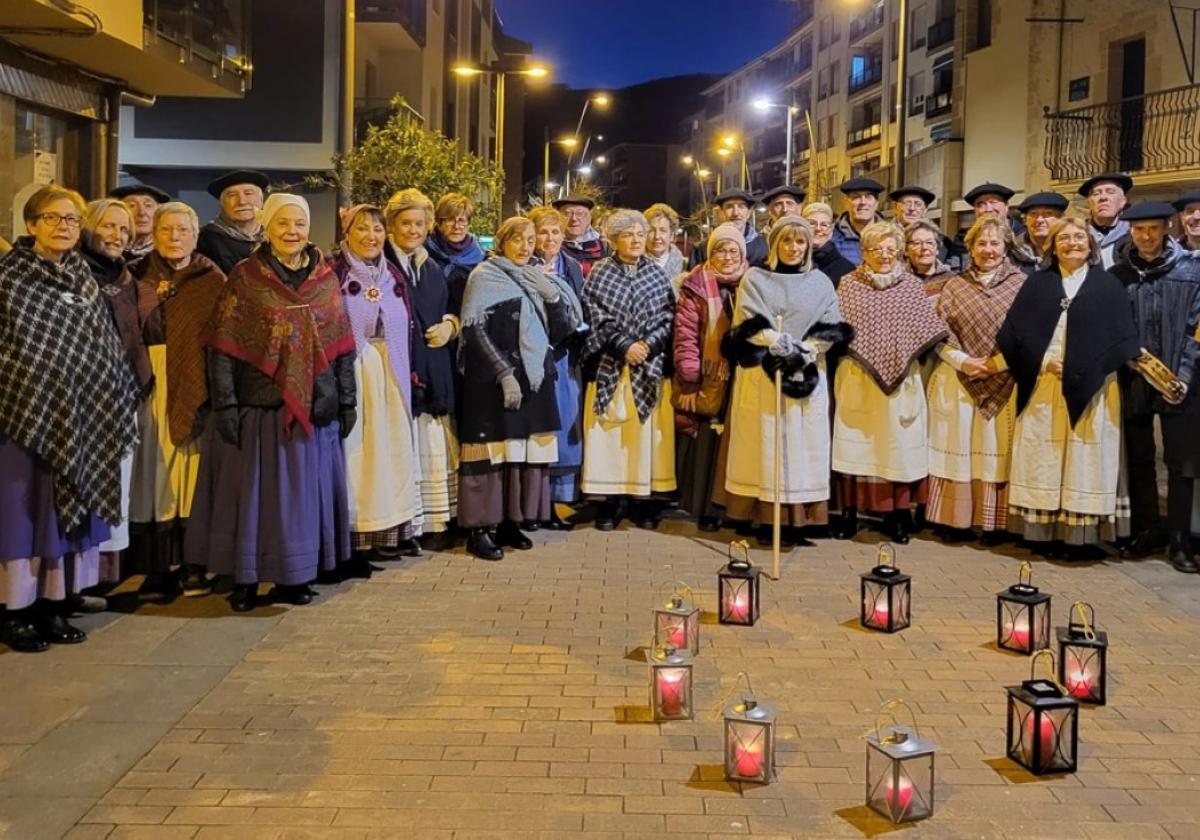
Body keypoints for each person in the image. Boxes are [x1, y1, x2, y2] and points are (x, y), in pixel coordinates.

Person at [186, 193, 355, 611]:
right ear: (267, 226)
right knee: (252, 500)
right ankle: (245, 579)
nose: (292, 231)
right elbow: (223, 344)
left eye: (299, 223)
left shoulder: (325, 278)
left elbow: (343, 345)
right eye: (283, 223)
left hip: (314, 408)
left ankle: (294, 579)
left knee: (298, 502)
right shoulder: (246, 276)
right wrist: (225, 405)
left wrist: (348, 400)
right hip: (257, 406)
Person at [0, 185, 138, 651]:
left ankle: (55, 604)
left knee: (64, 514)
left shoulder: (82, 277)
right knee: (23, 514)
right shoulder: (10, 278)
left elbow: (99, 344)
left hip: (84, 419)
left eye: (72, 220)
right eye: (53, 218)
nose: (63, 227)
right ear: (32, 224)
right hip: (23, 420)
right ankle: (16, 611)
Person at [997, 216, 1140, 556]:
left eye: (1079, 237)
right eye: (1064, 238)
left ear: (1090, 245)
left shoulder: (1107, 285)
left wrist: (1083, 365)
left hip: (1094, 387)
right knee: (1043, 455)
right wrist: (1045, 360)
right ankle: (1043, 532)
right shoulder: (1037, 284)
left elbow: (1121, 338)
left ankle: (1081, 538)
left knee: (1085, 457)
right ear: (1053, 245)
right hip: (1043, 383)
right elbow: (1014, 333)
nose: (1072, 243)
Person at [458, 217, 583, 560]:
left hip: (535, 379)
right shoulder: (485, 276)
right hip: (493, 384)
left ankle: (509, 523)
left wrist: (554, 297)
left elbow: (561, 333)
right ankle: (479, 529)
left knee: (521, 455)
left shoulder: (538, 278)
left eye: (531, 240)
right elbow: (473, 329)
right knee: (492, 456)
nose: (526, 246)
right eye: (518, 239)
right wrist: (503, 372)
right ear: (502, 241)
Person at [721, 216, 851, 546]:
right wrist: (772, 339)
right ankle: (766, 519)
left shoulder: (820, 282)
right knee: (765, 446)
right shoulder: (756, 277)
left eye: (800, 242)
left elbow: (831, 323)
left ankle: (798, 520)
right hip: (764, 374)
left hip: (805, 372)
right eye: (787, 241)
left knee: (802, 447)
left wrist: (808, 347)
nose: (794, 248)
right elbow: (747, 319)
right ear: (775, 243)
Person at [126, 203, 226, 600]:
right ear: (154, 232)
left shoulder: (212, 278)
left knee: (190, 473)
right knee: (153, 474)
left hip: (195, 382)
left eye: (182, 230)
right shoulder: (135, 276)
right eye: (167, 230)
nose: (174, 237)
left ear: (195, 235)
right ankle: (155, 566)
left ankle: (194, 564)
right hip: (149, 382)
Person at [832, 222, 948, 544]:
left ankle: (897, 515)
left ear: (899, 252)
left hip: (902, 382)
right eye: (875, 249)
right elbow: (838, 328)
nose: (883, 255)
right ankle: (849, 513)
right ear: (863, 252)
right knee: (855, 447)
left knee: (897, 448)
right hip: (856, 377)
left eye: (889, 249)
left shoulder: (911, 286)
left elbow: (925, 329)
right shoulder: (848, 284)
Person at [331, 204, 423, 569]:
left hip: (392, 373)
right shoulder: (332, 272)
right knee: (359, 455)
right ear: (347, 234)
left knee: (391, 453)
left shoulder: (393, 276)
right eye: (362, 229)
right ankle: (355, 534)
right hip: (355, 373)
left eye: (378, 230)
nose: (371, 237)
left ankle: (388, 530)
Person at [1109, 201, 1200, 571]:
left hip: (1183, 379)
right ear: (1130, 232)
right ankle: (1148, 530)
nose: (1146, 236)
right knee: (1140, 459)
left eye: (1152, 229)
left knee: (1181, 463)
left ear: (1166, 228)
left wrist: (1182, 375)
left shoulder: (1193, 270)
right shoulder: (1119, 275)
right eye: (1138, 230)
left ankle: (1180, 541)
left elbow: (1198, 328)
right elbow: (1113, 325)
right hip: (1134, 378)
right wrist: (1128, 355)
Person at [924, 213, 1026, 541]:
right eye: (981, 243)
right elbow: (939, 331)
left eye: (995, 243)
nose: (988, 250)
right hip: (958, 377)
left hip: (1005, 377)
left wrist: (998, 363)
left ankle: (993, 522)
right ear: (970, 247)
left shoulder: (1021, 285)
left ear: (1006, 246)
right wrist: (964, 361)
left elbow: (1029, 332)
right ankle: (956, 519)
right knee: (960, 447)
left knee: (994, 449)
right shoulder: (954, 284)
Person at [580, 209, 677, 529]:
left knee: (642, 439)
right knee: (611, 438)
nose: (636, 240)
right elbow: (595, 315)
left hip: (648, 367)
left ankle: (640, 502)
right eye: (628, 235)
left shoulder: (656, 273)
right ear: (614, 240)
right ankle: (609, 503)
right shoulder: (600, 272)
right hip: (612, 367)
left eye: (640, 234)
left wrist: (647, 345)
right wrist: (625, 346)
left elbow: (667, 316)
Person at [79, 199, 153, 602]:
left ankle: (99, 577)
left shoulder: (123, 276)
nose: (116, 236)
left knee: (114, 488)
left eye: (123, 230)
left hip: (122, 392)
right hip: (84, 397)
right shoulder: (76, 272)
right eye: (107, 226)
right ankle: (74, 580)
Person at [385, 188, 460, 550]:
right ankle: (404, 525)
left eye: (419, 223)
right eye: (406, 223)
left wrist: (451, 324)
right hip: (402, 368)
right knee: (402, 451)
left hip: (435, 365)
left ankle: (432, 520)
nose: (413, 230)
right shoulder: (383, 263)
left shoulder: (431, 267)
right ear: (392, 226)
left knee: (430, 446)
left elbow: (448, 306)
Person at [672, 223, 749, 531]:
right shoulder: (695, 285)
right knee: (705, 445)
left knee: (735, 443)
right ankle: (706, 510)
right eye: (720, 249)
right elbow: (685, 333)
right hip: (708, 375)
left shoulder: (753, 281)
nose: (727, 256)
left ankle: (735, 508)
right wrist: (692, 372)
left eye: (733, 250)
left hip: (743, 375)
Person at [529, 205, 588, 525]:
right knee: (539, 430)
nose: (549, 238)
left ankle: (557, 501)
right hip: (535, 357)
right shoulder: (525, 266)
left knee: (564, 430)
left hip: (566, 358)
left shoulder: (573, 267)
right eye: (543, 231)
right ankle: (535, 503)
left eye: (555, 232)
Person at [196, 169, 268, 274]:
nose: (242, 201)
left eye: (248, 193)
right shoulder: (205, 241)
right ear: (222, 204)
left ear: (261, 200)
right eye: (232, 195)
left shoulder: (275, 238)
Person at [424, 192, 486, 312]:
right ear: (439, 222)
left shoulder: (480, 258)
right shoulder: (423, 253)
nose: (457, 226)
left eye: (462, 220)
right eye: (450, 220)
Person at [889, 185, 965, 270]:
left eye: (918, 204)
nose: (912, 208)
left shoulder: (942, 241)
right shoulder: (884, 237)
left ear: (925, 210)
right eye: (907, 203)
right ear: (895, 207)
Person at [693, 189, 768, 268]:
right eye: (729, 207)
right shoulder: (703, 248)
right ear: (720, 213)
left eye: (741, 207)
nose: (735, 213)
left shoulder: (765, 246)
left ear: (749, 212)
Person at [1079, 172, 1133, 267]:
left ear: (1123, 201)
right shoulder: (1078, 236)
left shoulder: (1134, 237)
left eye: (1110, 192)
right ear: (1088, 203)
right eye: (1096, 193)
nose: (1103, 198)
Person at [831, 177, 885, 264]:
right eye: (856, 197)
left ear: (876, 204)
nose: (863, 202)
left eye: (868, 197)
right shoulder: (832, 236)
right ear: (846, 203)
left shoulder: (891, 235)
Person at [1011, 192, 1068, 273]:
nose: (1039, 220)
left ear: (1061, 218)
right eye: (1033, 214)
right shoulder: (1013, 252)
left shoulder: (1069, 249)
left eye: (1048, 213)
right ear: (1025, 221)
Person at [110, 183, 170, 262]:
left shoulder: (168, 252)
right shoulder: (108, 250)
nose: (141, 212)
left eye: (148, 205)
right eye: (132, 205)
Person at [802, 202, 855, 286]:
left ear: (831, 230)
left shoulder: (846, 269)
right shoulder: (791, 261)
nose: (818, 229)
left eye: (824, 225)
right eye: (811, 223)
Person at [554, 196, 609, 276]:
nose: (574, 219)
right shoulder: (553, 245)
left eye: (580, 213)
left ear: (589, 218)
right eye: (567, 214)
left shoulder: (601, 245)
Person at [904, 220, 957, 300]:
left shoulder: (952, 280)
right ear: (906, 251)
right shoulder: (899, 279)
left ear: (937, 249)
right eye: (917, 243)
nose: (924, 247)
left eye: (929, 242)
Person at [645, 203, 685, 283]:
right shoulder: (631, 264)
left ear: (672, 236)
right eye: (651, 230)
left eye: (663, 230)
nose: (657, 236)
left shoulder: (684, 267)